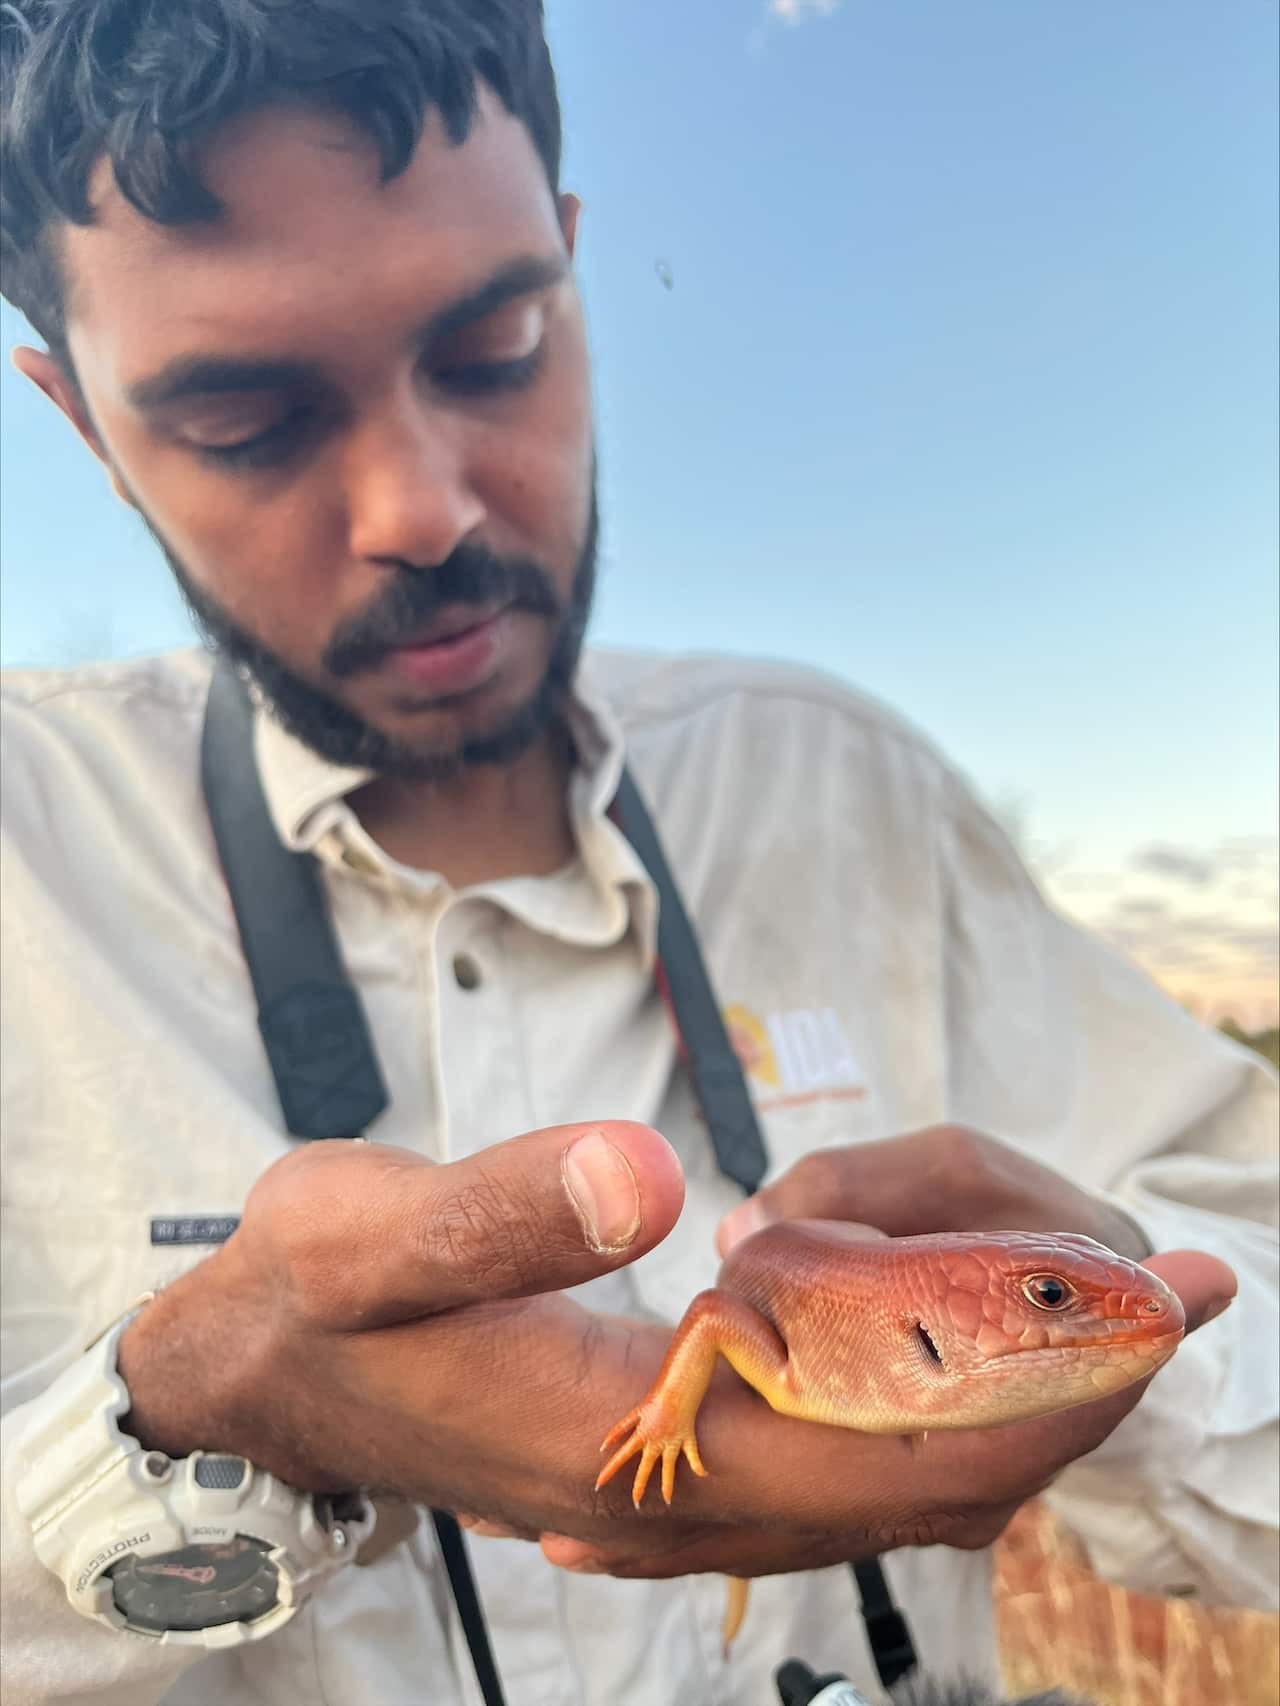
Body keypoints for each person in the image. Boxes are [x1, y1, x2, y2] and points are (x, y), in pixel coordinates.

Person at [0, 4, 1274, 1704]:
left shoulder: (847, 783)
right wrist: (186, 1407)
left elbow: (1225, 1256)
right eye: (245, 418)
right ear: (79, 421)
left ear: (578, 274)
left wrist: (1117, 1348)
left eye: (497, 342)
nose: (422, 509)